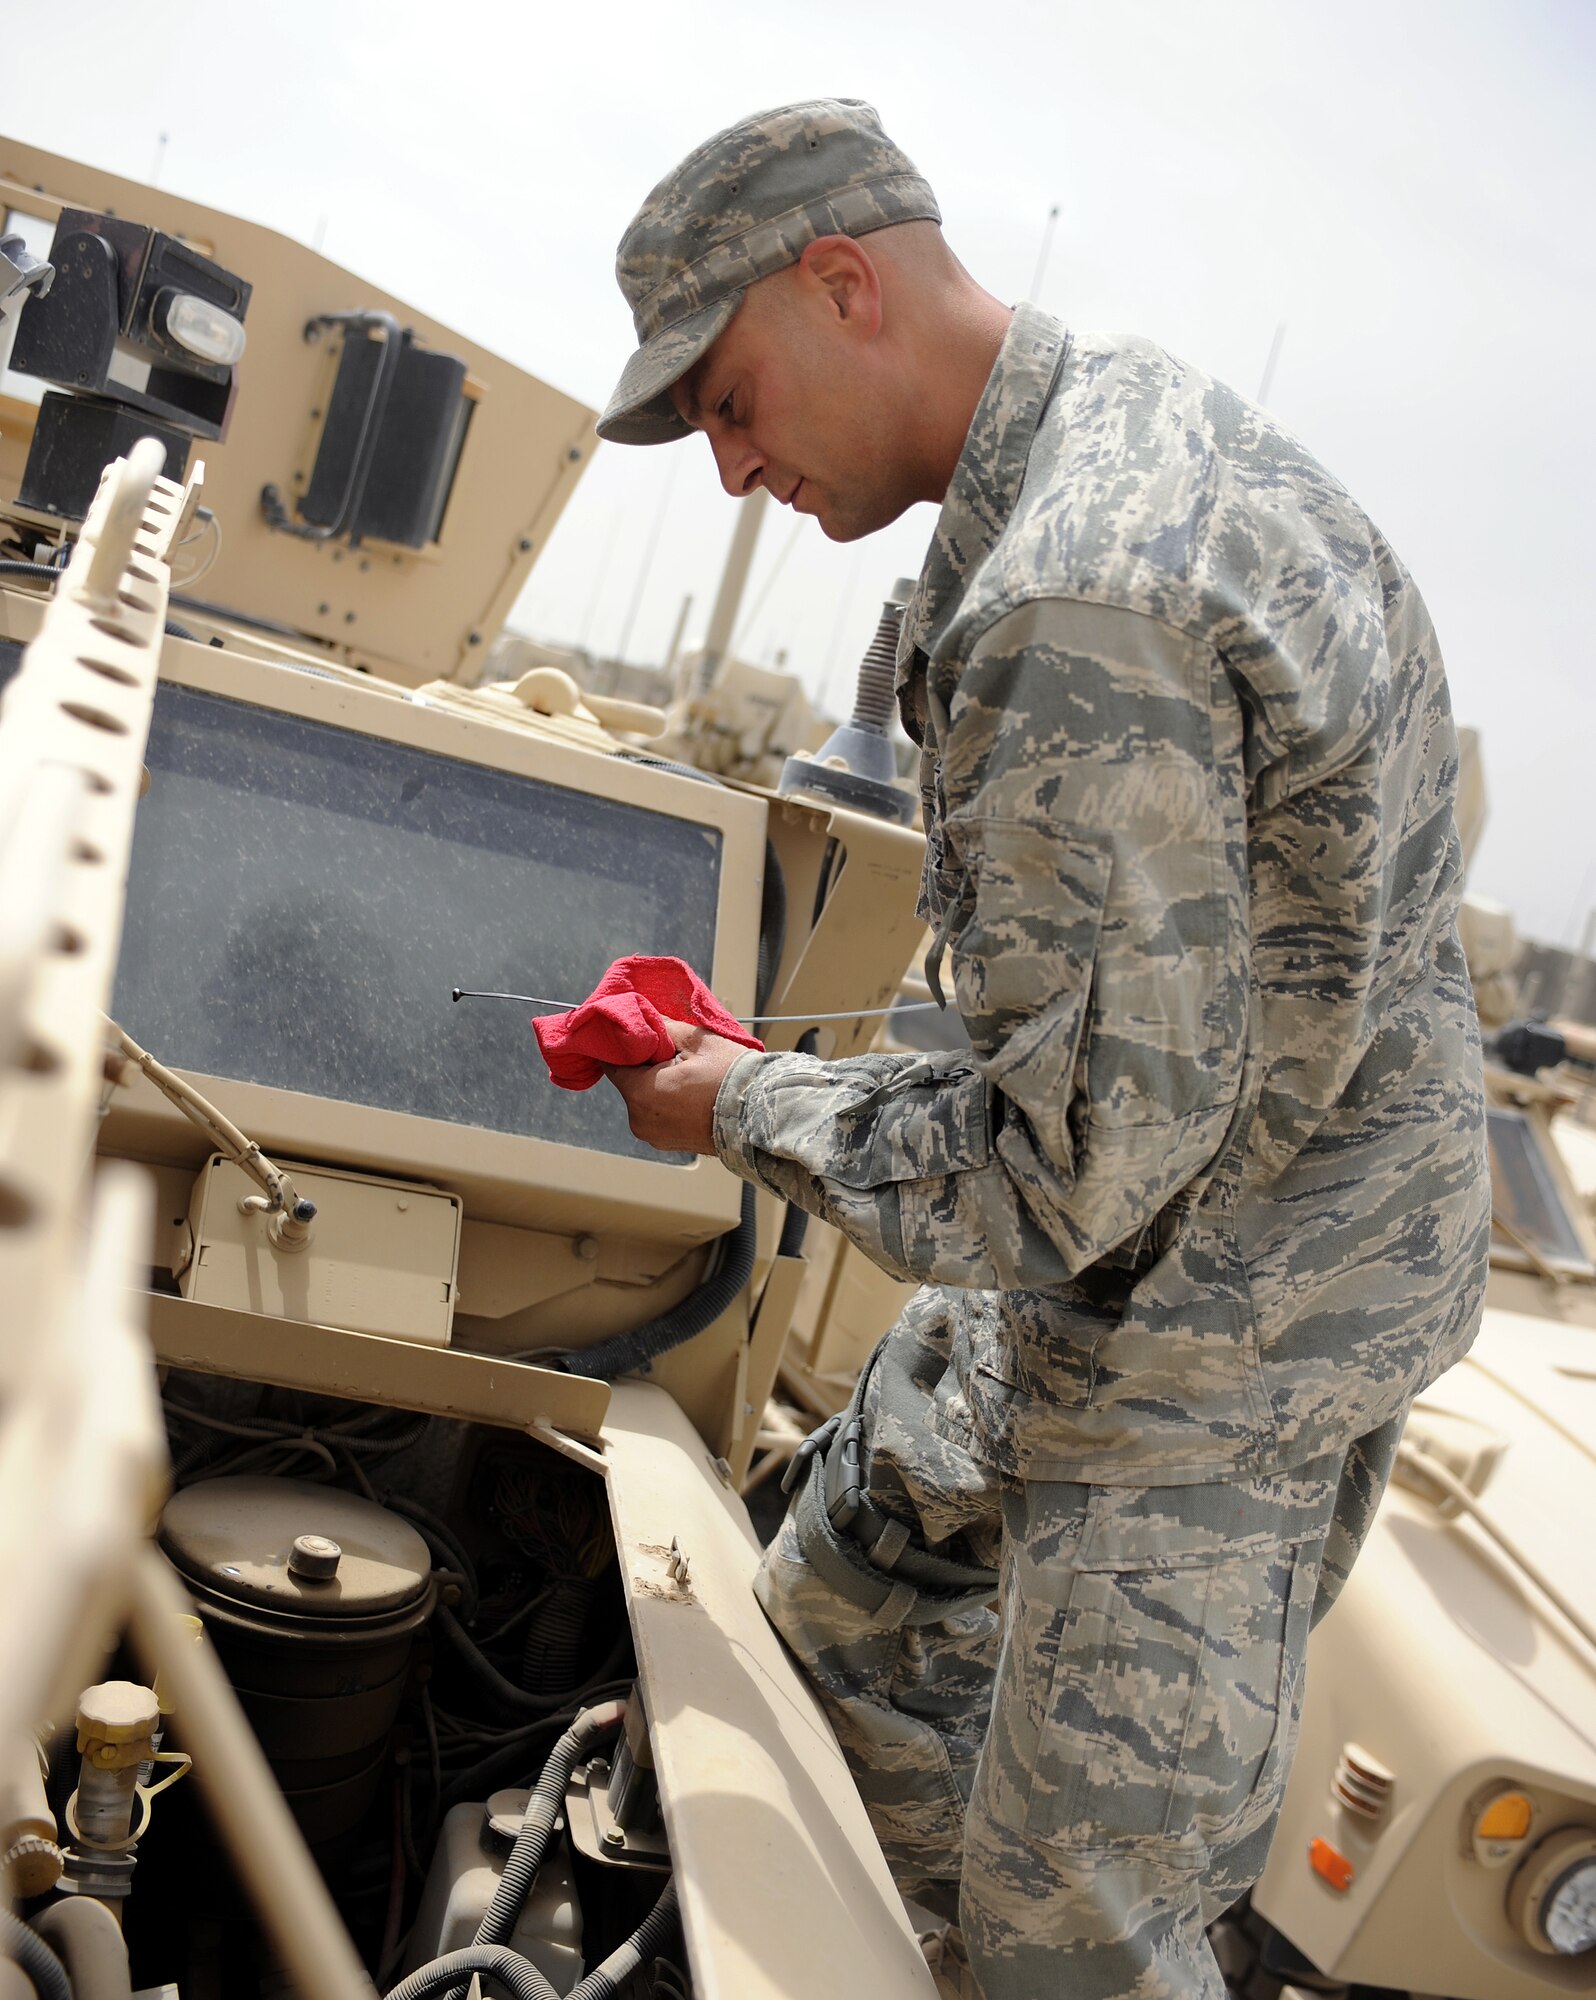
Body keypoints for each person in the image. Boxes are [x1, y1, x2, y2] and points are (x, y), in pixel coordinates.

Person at [591, 98, 1490, 2000]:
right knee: (823, 1621)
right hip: (1157, 1248)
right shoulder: (1140, 435)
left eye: (734, 403)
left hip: (1215, 1354)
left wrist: (731, 1096)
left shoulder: (1074, 596)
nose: (734, 471)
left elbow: (1055, 1171)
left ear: (845, 288)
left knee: (1083, 1947)